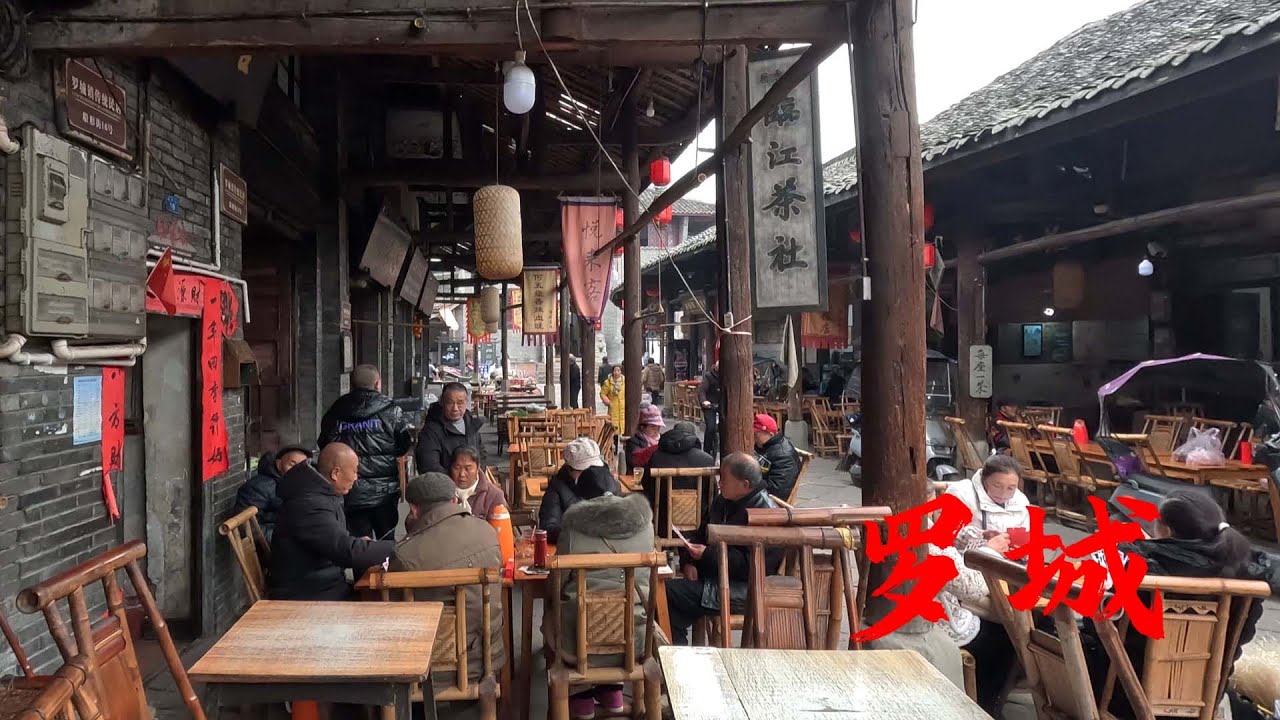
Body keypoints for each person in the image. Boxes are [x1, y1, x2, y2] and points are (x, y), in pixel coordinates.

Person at [1081, 490, 1275, 717]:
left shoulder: (1136, 567)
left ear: (1166, 530)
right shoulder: (1247, 576)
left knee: (1067, 634)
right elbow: (1240, 640)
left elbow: (1094, 622)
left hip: (1124, 695)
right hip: (1205, 695)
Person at [545, 491, 655, 719]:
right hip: (635, 638)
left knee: (563, 612)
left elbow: (556, 584)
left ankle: (580, 697)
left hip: (578, 644)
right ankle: (611, 690)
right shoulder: (646, 528)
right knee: (620, 609)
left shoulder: (574, 531)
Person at [390, 472, 505, 684]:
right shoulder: (487, 531)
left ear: (414, 509)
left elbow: (395, 611)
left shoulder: (406, 555)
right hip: (489, 654)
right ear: (454, 500)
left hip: (433, 664)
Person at [664, 453, 780, 644]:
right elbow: (700, 534)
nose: (720, 484)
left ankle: (679, 652)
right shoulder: (724, 500)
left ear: (744, 485)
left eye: (724, 479)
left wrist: (707, 555)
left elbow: (752, 567)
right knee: (667, 594)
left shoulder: (765, 515)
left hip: (740, 589)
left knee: (668, 593)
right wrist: (689, 562)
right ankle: (681, 649)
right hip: (713, 576)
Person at [269, 443, 395, 601]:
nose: (356, 478)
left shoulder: (318, 493)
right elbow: (345, 551)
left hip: (322, 583)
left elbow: (336, 541)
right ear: (335, 473)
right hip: (307, 595)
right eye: (355, 471)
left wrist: (361, 544)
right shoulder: (310, 504)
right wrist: (398, 548)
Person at [318, 364, 412, 541]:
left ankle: (363, 570)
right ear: (377, 384)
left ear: (352, 384)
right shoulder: (391, 411)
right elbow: (403, 445)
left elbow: (325, 447)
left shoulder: (335, 411)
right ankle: (387, 569)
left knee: (358, 544)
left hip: (350, 490)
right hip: (384, 490)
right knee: (387, 542)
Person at [538, 438, 621, 543]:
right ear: (569, 469)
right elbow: (548, 528)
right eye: (584, 470)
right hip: (575, 548)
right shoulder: (557, 488)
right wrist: (583, 531)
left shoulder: (608, 482)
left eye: (594, 468)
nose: (591, 473)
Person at [641, 421, 715, 534]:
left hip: (663, 524)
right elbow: (712, 493)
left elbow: (645, 484)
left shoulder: (657, 457)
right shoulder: (706, 460)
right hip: (699, 526)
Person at [233, 444, 312, 541]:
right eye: (292, 465)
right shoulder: (258, 487)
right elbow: (247, 527)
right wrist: (283, 540)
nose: (297, 470)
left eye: (302, 466)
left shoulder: (302, 484)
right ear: (279, 464)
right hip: (272, 547)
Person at [944, 454, 1030, 537]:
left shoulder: (1021, 500)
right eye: (997, 486)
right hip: (970, 551)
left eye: (1011, 488)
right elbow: (947, 534)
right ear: (984, 479)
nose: (1003, 493)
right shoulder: (960, 494)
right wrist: (981, 538)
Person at [416, 382, 485, 474]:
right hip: (445, 486)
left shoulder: (472, 424)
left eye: (460, 403)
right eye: (450, 403)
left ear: (466, 403)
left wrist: (476, 475)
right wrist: (457, 481)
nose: (455, 408)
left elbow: (482, 454)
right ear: (442, 403)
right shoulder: (430, 432)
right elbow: (429, 467)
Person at [450, 445, 508, 523]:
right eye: (457, 468)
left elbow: (500, 529)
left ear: (478, 468)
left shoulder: (494, 495)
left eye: (468, 468)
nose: (462, 474)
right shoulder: (442, 494)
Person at [752, 414, 800, 500]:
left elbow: (777, 490)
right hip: (761, 490)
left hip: (770, 500)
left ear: (770, 434)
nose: (753, 437)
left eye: (756, 434)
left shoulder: (783, 456)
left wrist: (750, 483)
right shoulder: (765, 445)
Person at [625, 404, 664, 474]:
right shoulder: (633, 441)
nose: (656, 430)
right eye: (653, 426)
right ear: (642, 427)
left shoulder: (663, 439)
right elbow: (635, 462)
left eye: (658, 427)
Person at [697, 362, 721, 459]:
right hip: (710, 405)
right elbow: (702, 390)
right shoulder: (708, 376)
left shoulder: (727, 376)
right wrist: (704, 401)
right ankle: (707, 449)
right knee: (711, 427)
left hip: (721, 404)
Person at [600, 365, 626, 433]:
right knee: (613, 427)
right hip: (613, 407)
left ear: (621, 372)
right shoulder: (608, 382)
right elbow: (602, 393)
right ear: (612, 372)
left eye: (618, 371)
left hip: (623, 407)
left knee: (623, 425)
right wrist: (608, 402)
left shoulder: (624, 381)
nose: (616, 372)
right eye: (615, 371)